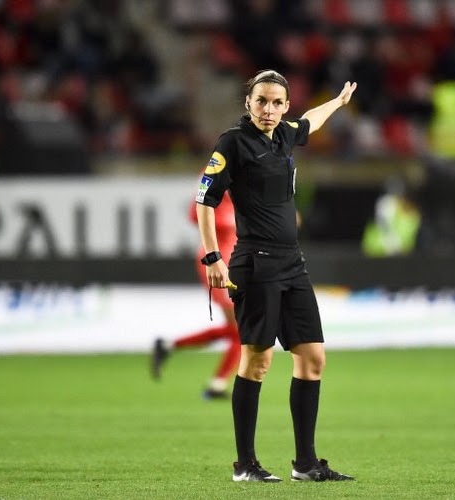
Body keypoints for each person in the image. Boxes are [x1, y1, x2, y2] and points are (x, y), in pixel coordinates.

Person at [195, 69, 357, 482]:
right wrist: (213, 256)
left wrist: (336, 104)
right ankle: (244, 465)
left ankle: (305, 464)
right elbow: (205, 200)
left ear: (286, 106)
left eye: (277, 103)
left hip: (291, 263)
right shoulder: (232, 143)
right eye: (262, 101)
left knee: (313, 357)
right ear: (248, 102)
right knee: (258, 360)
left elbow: (310, 122)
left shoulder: (285, 134)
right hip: (256, 263)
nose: (269, 109)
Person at [151, 191, 240, 400]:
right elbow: (195, 213)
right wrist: (224, 219)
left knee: (238, 329)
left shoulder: (239, 183)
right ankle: (217, 384)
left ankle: (169, 346)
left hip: (234, 261)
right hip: (218, 263)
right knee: (242, 329)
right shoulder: (215, 175)